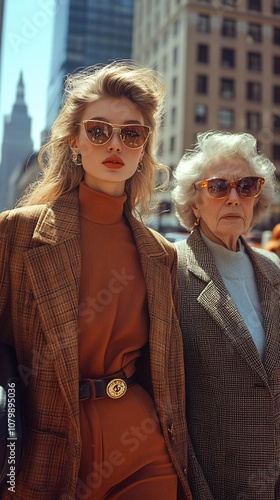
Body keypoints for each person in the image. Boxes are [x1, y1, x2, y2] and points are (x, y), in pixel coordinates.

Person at [0, 61, 192, 500]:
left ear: (144, 148)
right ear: (74, 142)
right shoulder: (15, 233)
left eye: (132, 134)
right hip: (44, 449)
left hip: (143, 449)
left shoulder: (159, 253)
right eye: (98, 130)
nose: (115, 144)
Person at [172, 130, 280, 500]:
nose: (234, 197)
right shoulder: (169, 269)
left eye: (246, 186)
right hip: (212, 482)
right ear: (195, 202)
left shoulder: (273, 268)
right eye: (218, 187)